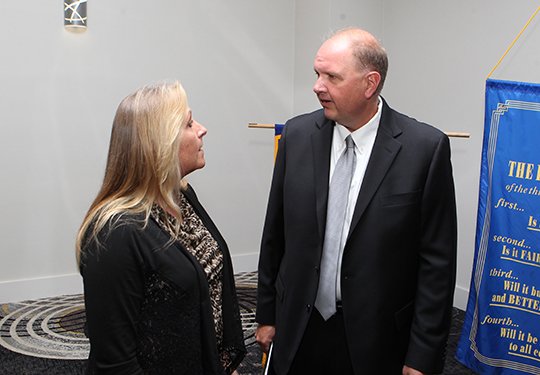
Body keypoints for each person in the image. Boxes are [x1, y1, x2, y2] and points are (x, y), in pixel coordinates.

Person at [256, 28, 457, 375]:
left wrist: (422, 355)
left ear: (370, 84)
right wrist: (266, 314)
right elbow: (275, 235)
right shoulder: (296, 136)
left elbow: (437, 265)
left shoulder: (425, 150)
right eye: (317, 74)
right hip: (298, 329)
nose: (318, 86)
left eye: (331, 76)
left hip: (377, 340)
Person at [76, 81, 246, 374]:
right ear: (160, 144)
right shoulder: (115, 233)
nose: (202, 129)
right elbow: (115, 363)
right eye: (189, 123)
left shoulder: (181, 196)